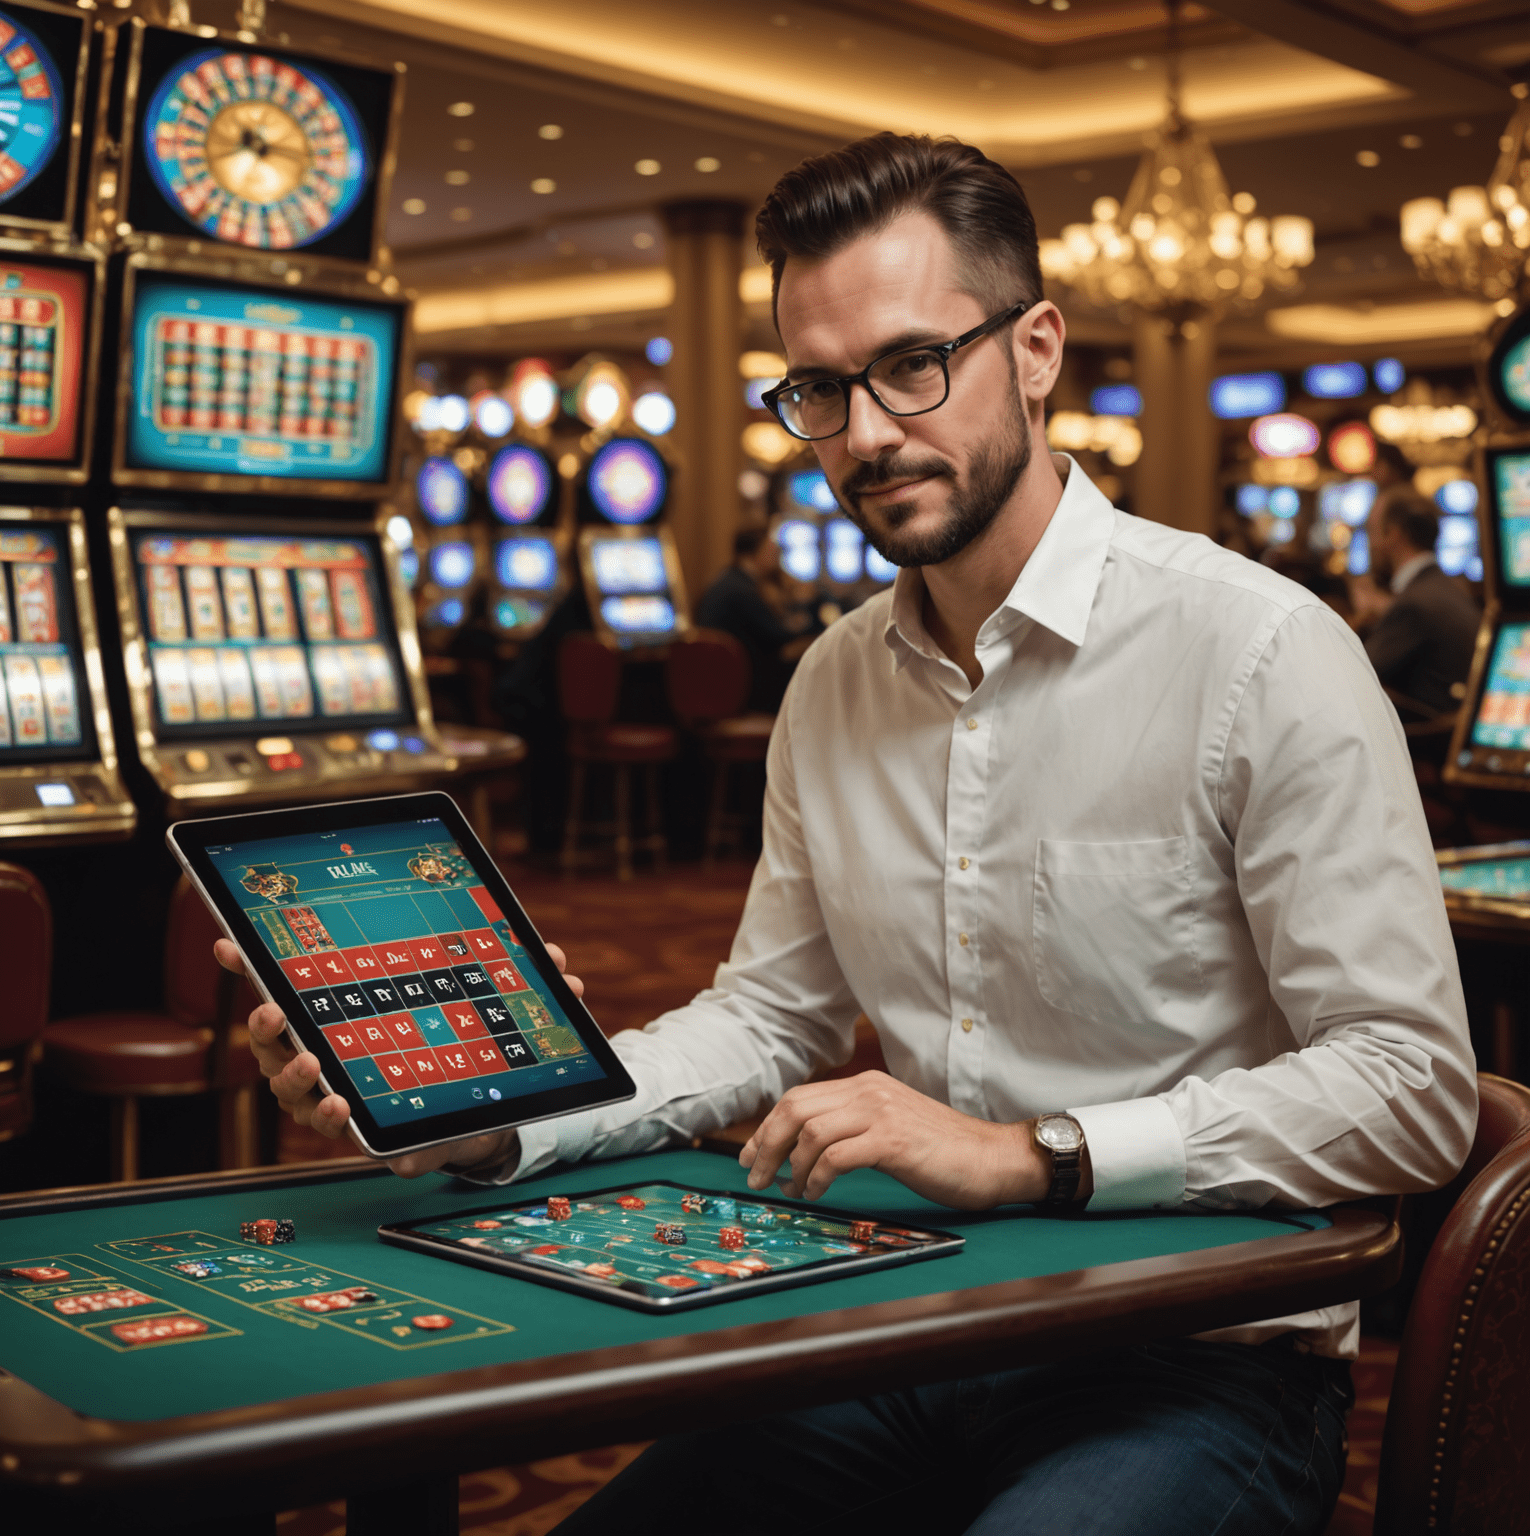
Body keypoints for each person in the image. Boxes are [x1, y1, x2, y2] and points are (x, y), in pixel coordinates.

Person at [220, 133, 1475, 1534]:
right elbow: (769, 1019)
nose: (866, 431)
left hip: (1194, 1363)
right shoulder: (831, 678)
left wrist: (1034, 1152)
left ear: (1038, 348)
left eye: (911, 365)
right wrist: (496, 1103)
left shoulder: (1261, 651)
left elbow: (1409, 1084)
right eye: (819, 388)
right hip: (908, 1324)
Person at [1362, 486, 1481, 718]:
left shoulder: (1413, 606)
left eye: (1372, 532)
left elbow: (1357, 676)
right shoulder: (1444, 588)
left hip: (1427, 744)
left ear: (1394, 535)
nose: (1371, 544)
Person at [695, 524, 814, 711]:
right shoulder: (741, 590)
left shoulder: (730, 580)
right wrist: (812, 615)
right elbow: (778, 636)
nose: (777, 554)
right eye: (770, 548)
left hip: (722, 683)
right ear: (752, 553)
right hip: (740, 688)